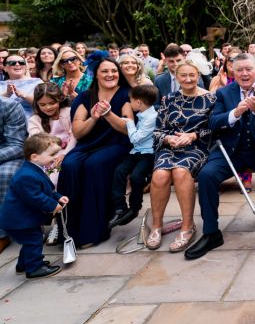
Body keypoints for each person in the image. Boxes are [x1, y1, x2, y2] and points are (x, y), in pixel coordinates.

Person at [185, 53, 255, 259]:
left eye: (248, 69)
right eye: (239, 69)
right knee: (206, 175)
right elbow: (214, 123)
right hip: (231, 151)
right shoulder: (224, 93)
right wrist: (235, 113)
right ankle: (211, 232)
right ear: (233, 71)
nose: (244, 73)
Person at [57, 57, 133, 247]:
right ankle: (68, 229)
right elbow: (78, 131)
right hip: (87, 145)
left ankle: (94, 230)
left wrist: (109, 114)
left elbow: (128, 128)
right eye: (105, 71)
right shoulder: (85, 96)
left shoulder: (126, 94)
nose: (110, 75)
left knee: (94, 166)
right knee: (70, 165)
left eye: (114, 71)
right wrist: (94, 118)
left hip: (117, 144)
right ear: (96, 75)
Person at [148, 59, 215, 253]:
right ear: (176, 77)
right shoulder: (168, 99)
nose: (188, 79)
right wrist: (169, 139)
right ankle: (157, 226)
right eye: (183, 75)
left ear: (199, 75)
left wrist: (193, 136)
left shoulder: (210, 99)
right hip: (170, 146)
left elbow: (215, 129)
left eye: (192, 75)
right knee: (160, 175)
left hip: (197, 147)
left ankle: (187, 226)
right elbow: (158, 130)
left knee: (180, 172)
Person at [0, 133, 68, 279]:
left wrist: (57, 197)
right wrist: (52, 205)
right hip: (18, 221)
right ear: (34, 157)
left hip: (20, 219)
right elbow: (34, 197)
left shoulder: (35, 169)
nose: (55, 157)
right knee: (34, 240)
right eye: (52, 154)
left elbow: (45, 190)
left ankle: (23, 264)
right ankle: (35, 268)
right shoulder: (26, 175)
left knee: (29, 240)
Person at [107, 84, 159, 230]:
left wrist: (129, 121)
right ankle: (120, 207)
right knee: (119, 171)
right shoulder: (142, 115)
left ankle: (135, 207)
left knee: (136, 177)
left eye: (131, 100)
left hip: (147, 154)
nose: (129, 103)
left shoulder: (152, 118)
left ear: (138, 102)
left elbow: (136, 138)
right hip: (135, 152)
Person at [0, 97, 29, 254]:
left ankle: (2, 234)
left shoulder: (9, 106)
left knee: (4, 174)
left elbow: (17, 146)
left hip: (8, 154)